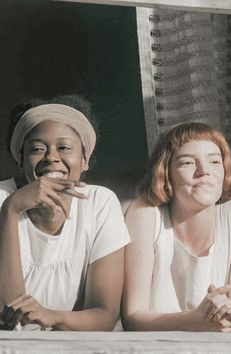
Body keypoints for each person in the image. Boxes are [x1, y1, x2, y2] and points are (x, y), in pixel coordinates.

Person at [0, 95, 130, 331]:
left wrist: (52, 316)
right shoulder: (2, 198)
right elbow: (7, 314)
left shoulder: (99, 203)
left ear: (84, 160)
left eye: (64, 147)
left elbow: (104, 316)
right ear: (20, 159)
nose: (51, 157)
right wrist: (10, 209)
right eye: (37, 148)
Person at [122, 122, 231, 332]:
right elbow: (132, 318)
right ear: (166, 174)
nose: (204, 171)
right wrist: (195, 321)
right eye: (187, 163)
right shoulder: (145, 214)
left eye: (214, 161)